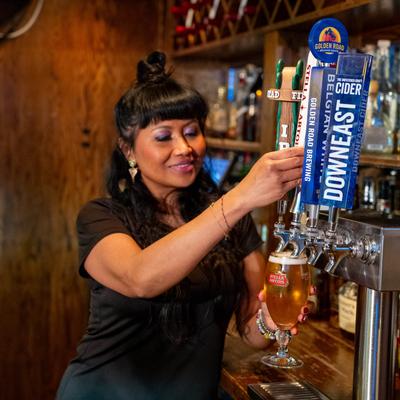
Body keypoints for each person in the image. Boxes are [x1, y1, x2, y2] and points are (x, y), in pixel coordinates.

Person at [56, 51, 306, 400]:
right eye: (164, 137)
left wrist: (274, 316)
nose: (185, 148)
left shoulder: (232, 219)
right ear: (128, 149)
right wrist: (239, 198)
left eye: (192, 132)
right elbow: (140, 278)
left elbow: (252, 331)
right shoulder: (102, 217)